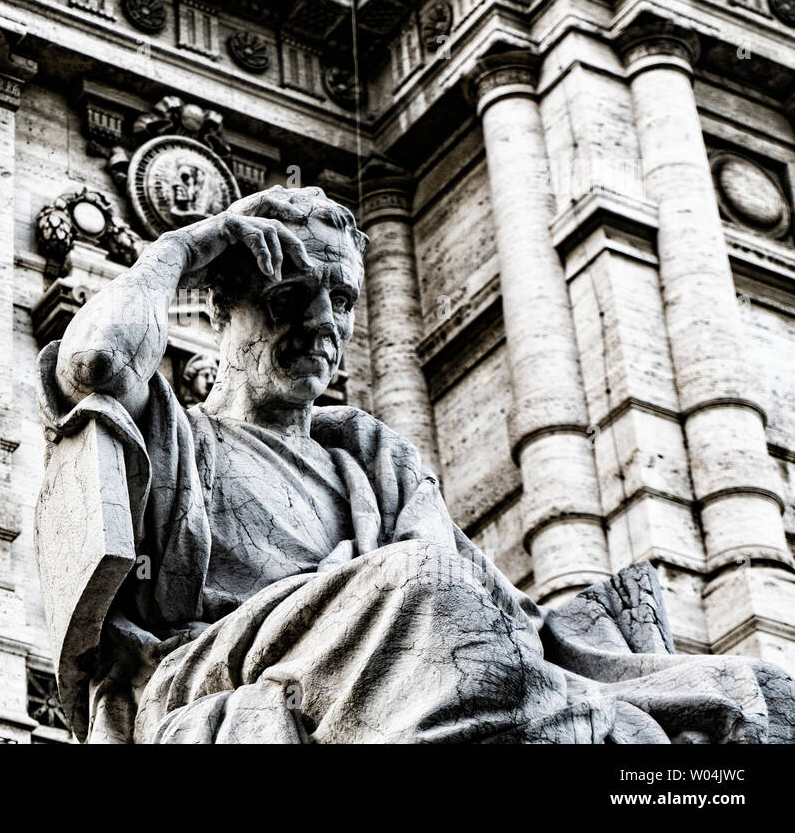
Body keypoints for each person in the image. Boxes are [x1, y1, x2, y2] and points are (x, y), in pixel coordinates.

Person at [40, 185, 795, 743]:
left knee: (763, 695)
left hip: (407, 646)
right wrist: (184, 247)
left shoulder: (369, 460)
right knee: (420, 580)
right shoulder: (183, 437)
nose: (321, 325)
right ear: (216, 310)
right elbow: (99, 359)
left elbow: (494, 608)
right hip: (222, 668)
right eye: (289, 296)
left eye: (340, 299)